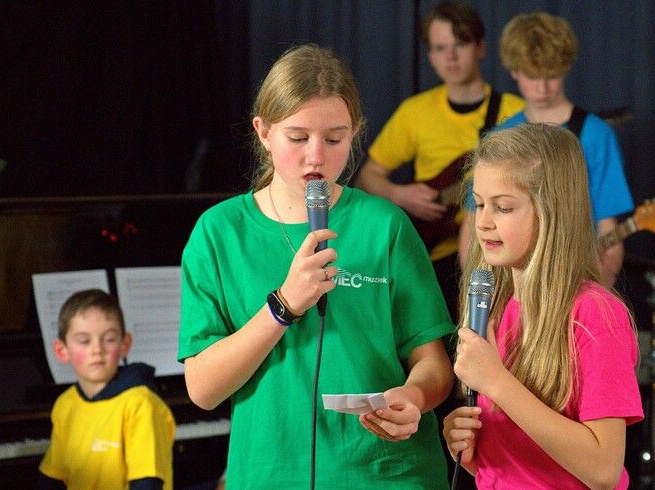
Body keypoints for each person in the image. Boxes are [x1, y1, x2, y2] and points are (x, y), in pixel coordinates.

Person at [178, 44, 454, 489]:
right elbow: (204, 389)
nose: (316, 157)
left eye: (334, 138)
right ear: (263, 132)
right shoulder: (219, 233)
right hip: (271, 474)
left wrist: (415, 396)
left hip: (385, 473)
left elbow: (434, 364)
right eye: (298, 137)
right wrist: (283, 305)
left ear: (356, 133)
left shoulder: (385, 226)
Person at [443, 123, 644, 489]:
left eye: (503, 208)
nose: (483, 223)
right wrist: (471, 446)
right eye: (480, 204)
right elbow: (522, 464)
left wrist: (498, 382)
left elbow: (602, 470)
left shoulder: (594, 315)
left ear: (552, 211)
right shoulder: (495, 306)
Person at [355, 1, 525, 323]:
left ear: (480, 47)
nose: (451, 56)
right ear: (430, 56)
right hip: (432, 256)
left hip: (497, 256)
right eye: (440, 48)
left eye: (460, 44)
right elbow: (368, 177)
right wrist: (400, 195)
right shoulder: (415, 111)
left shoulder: (515, 112)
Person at [491, 11, 634, 288]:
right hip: (511, 284)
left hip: (573, 281)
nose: (542, 87)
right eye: (533, 75)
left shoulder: (595, 135)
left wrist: (595, 295)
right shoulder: (502, 136)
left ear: (566, 68)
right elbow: (476, 223)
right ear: (514, 70)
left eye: (552, 75)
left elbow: (609, 232)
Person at [38, 289, 176, 489]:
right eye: (84, 341)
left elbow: (148, 483)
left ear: (124, 345)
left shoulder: (141, 404)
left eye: (109, 339)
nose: (97, 350)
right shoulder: (65, 405)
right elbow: (52, 477)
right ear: (62, 350)